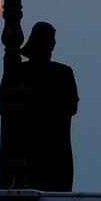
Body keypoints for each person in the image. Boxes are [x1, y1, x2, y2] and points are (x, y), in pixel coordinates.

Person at [19, 22, 79, 191]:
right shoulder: (64, 73)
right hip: (56, 155)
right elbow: (72, 108)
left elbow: (4, 107)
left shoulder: (19, 72)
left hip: (29, 154)